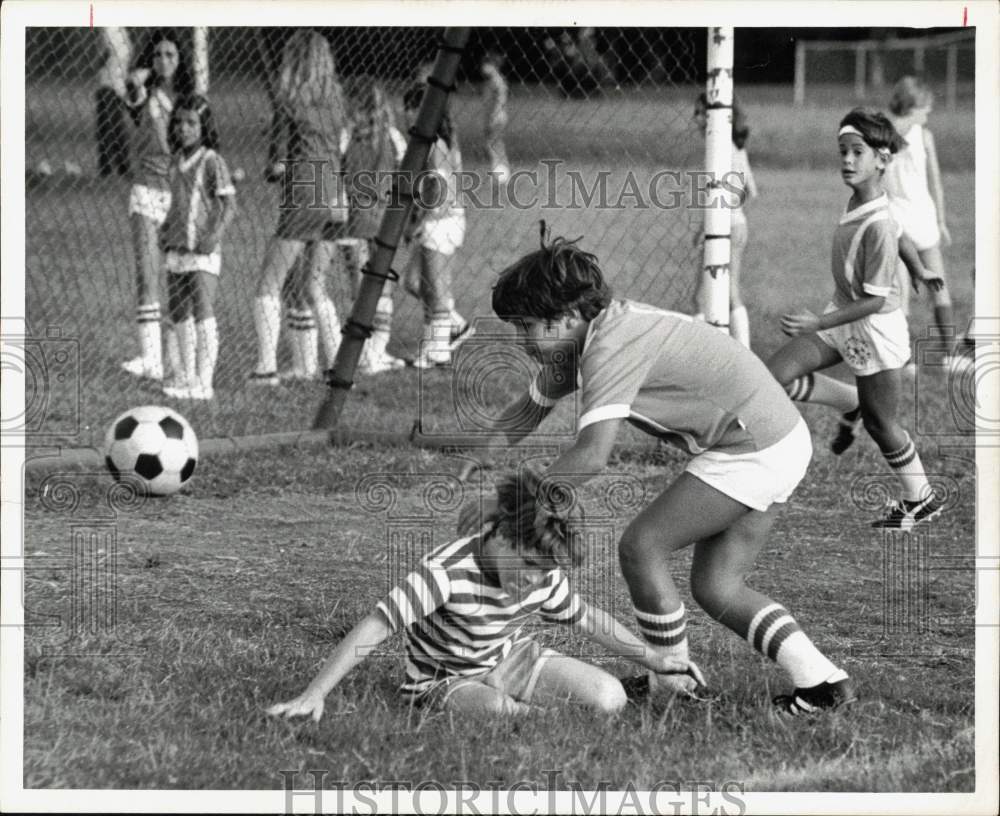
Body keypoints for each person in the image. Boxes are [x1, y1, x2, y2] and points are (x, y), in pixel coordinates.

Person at [457, 228, 854, 716]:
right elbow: (535, 404)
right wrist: (484, 451)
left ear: (565, 316)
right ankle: (822, 683)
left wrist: (507, 504)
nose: (521, 340)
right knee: (717, 587)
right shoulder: (591, 333)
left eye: (527, 326)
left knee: (642, 547)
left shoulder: (610, 346)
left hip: (755, 446)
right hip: (776, 437)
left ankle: (674, 684)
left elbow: (591, 455)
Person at [267, 469, 704, 719]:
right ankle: (521, 712)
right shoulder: (446, 573)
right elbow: (376, 627)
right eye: (530, 568)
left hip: (510, 659)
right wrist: (315, 693)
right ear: (501, 537)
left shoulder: (542, 572)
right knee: (499, 713)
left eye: (544, 573)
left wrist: (654, 658)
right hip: (442, 680)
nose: (536, 582)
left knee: (611, 699)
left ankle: (524, 703)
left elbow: (586, 617)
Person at [766, 108, 943, 531]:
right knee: (774, 376)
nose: (846, 160)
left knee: (883, 424)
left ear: (882, 160)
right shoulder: (871, 202)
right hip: (842, 316)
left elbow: (874, 302)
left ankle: (922, 499)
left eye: (857, 152)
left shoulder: (876, 222)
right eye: (842, 151)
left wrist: (816, 324)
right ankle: (850, 401)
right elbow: (902, 234)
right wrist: (918, 270)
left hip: (875, 330)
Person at [250, 30, 348, 385]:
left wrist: (275, 167)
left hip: (305, 194)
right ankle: (331, 365)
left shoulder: (288, 102)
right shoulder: (337, 101)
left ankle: (265, 369)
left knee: (268, 285)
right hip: (337, 196)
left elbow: (278, 164)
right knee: (312, 286)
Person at [121, 29, 194, 382]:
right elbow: (131, 97)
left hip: (179, 193)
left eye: (170, 55)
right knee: (146, 275)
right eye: (157, 55)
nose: (163, 61)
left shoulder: (191, 99)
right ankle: (151, 360)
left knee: (178, 278)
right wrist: (136, 81)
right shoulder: (144, 93)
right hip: (147, 189)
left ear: (180, 60)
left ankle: (178, 359)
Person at [885, 76, 972, 373]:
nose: (929, 114)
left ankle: (906, 359)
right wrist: (941, 219)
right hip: (917, 218)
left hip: (900, 219)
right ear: (915, 106)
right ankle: (949, 355)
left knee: (901, 295)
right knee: (938, 286)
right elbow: (936, 182)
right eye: (927, 109)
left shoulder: (882, 135)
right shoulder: (918, 136)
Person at [158, 94, 236, 400]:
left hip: (203, 252)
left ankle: (204, 382)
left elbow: (229, 205)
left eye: (192, 122)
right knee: (178, 311)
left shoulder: (211, 161)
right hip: (176, 249)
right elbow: (175, 204)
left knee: (202, 309)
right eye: (179, 122)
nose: (184, 128)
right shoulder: (175, 162)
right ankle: (185, 377)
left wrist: (214, 236)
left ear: (205, 126)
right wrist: (165, 229)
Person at [340, 78, 409, 375]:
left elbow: (336, 169)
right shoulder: (393, 137)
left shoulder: (346, 135)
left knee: (359, 287)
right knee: (383, 285)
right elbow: (408, 176)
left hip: (352, 217)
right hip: (385, 219)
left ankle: (363, 352)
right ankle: (376, 353)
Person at [400, 83, 471, 368]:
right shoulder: (429, 142)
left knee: (436, 290)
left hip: (441, 222)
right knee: (415, 283)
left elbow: (440, 192)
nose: (405, 113)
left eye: (410, 108)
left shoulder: (435, 145)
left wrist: (422, 222)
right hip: (435, 220)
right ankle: (454, 328)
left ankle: (436, 351)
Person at [691, 93, 757, 348]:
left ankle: (702, 355)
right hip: (738, 225)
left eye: (700, 113)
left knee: (700, 300)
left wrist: (709, 224)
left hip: (724, 227)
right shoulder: (736, 147)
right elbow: (749, 190)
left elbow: (730, 193)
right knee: (728, 296)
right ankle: (740, 353)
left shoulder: (720, 150)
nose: (695, 119)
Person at [95, 27, 132, 178]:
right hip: (111, 85)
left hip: (112, 85)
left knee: (111, 128)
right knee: (112, 128)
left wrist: (101, 60)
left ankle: (113, 168)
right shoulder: (116, 29)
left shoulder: (112, 28)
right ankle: (114, 168)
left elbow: (106, 54)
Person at [481, 50, 511, 183]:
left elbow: (501, 98)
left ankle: (500, 169)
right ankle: (499, 168)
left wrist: (497, 113)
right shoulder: (491, 81)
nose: (483, 67)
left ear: (494, 65)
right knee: (493, 142)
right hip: (492, 114)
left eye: (486, 64)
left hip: (497, 115)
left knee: (494, 143)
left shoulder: (497, 81)